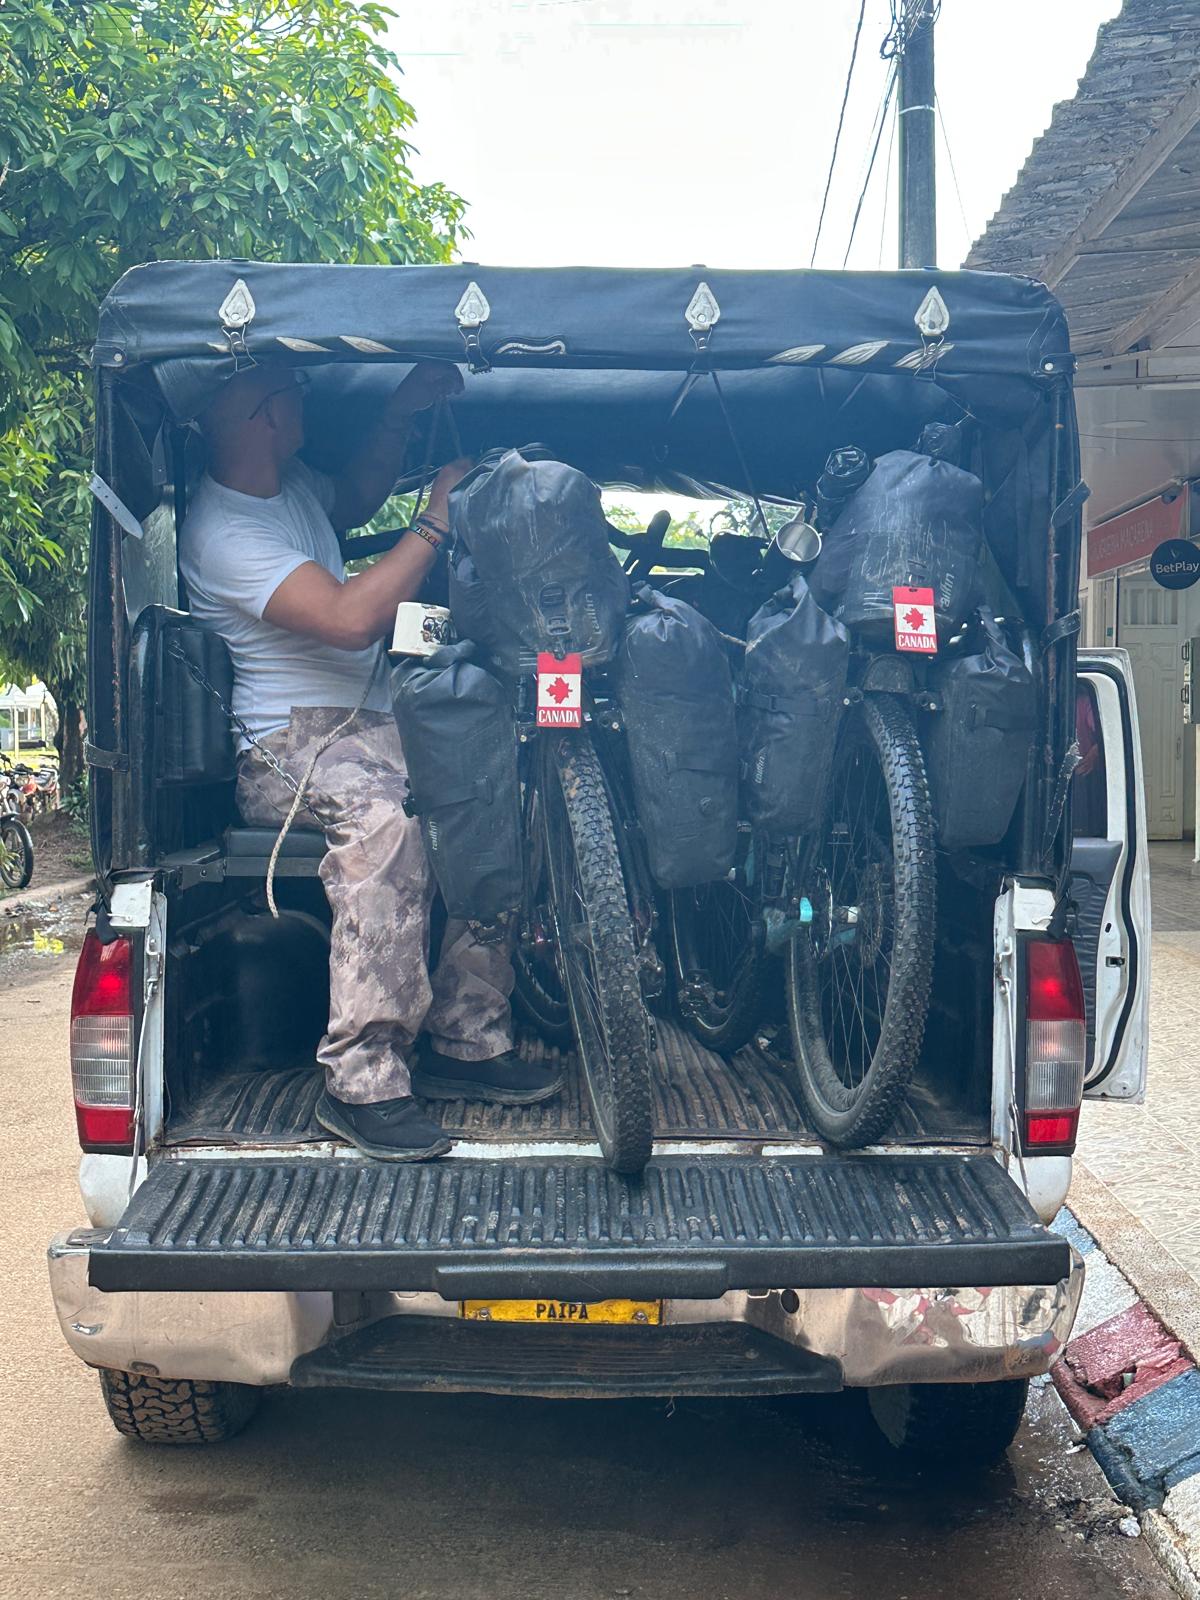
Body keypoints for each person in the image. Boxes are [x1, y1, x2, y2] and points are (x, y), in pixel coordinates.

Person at [178, 360, 562, 1160]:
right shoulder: (223, 533)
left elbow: (354, 495)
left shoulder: (289, 489)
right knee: (390, 824)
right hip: (289, 746)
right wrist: (435, 522)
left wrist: (398, 414)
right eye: (293, 393)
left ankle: (467, 1036)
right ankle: (363, 1080)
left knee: (492, 797)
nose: (304, 402)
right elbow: (351, 618)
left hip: (375, 724)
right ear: (260, 416)